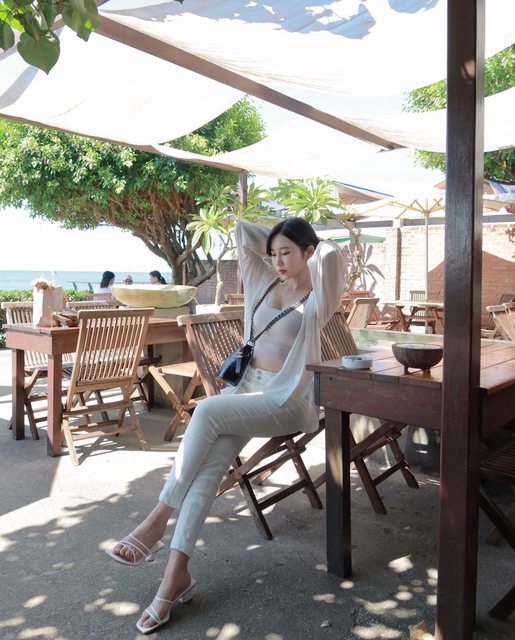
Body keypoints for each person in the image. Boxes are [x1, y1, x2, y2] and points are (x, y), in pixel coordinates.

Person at [106, 218, 347, 634]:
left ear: (308, 253)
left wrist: (309, 241)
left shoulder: (319, 295)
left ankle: (157, 519)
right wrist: (280, 239)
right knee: (210, 468)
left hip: (286, 398)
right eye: (273, 253)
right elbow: (240, 229)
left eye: (287, 253)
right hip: (246, 391)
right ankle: (175, 577)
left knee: (206, 411)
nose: (277, 261)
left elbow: (333, 256)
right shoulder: (264, 281)